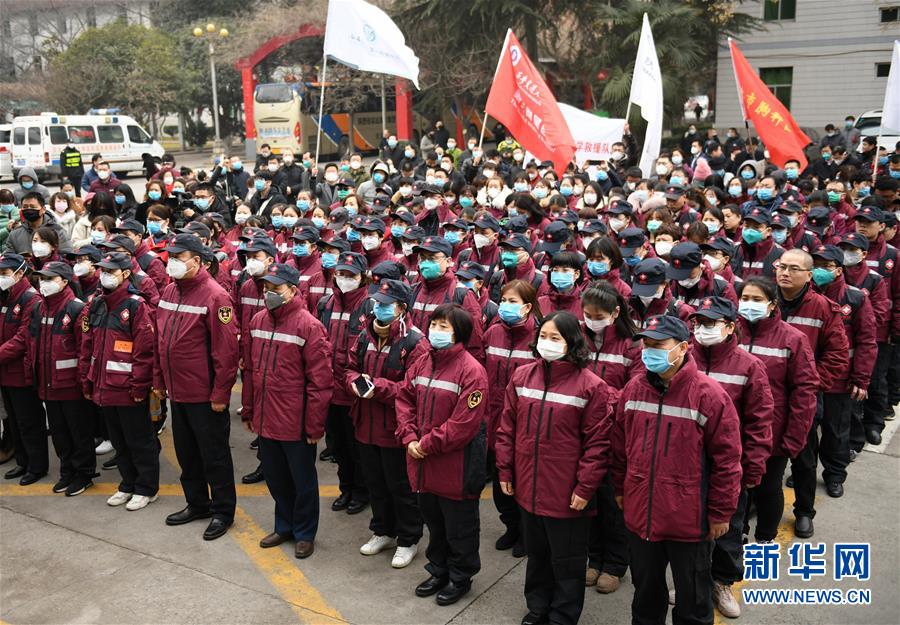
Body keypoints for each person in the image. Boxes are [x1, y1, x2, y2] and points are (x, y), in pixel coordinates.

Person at [611, 315, 742, 625]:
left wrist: (721, 512)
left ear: (683, 347)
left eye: (659, 346)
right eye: (647, 345)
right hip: (641, 513)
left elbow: (728, 461)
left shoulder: (709, 395)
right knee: (646, 593)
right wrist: (620, 489)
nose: (649, 352)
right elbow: (618, 447)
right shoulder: (633, 390)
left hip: (689, 519)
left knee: (693, 597)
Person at [496, 311, 613, 625]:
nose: (546, 343)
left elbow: (597, 445)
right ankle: (539, 607)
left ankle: (562, 615)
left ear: (572, 342)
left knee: (568, 561)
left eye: (555, 338)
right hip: (528, 487)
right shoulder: (522, 377)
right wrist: (505, 470)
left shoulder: (592, 387)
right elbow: (506, 428)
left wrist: (584, 487)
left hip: (567, 494)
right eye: (543, 336)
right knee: (538, 556)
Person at [395, 304, 488, 606]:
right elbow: (405, 397)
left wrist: (426, 443)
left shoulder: (472, 371)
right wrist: (409, 435)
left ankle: (460, 576)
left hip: (454, 464)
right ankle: (438, 569)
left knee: (459, 526)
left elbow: (463, 425)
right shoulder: (423, 362)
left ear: (459, 332)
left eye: (443, 326)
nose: (435, 331)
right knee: (434, 522)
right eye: (434, 324)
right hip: (422, 460)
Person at [688, 297, 774, 619]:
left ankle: (722, 581)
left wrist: (753, 465)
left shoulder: (749, 366)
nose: (703, 330)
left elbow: (760, 420)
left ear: (728, 327)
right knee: (693, 529)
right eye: (698, 323)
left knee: (728, 527)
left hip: (728, 464)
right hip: (689, 463)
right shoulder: (684, 358)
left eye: (711, 324)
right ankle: (695, 580)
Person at [242, 263, 334, 559]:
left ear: (293, 291)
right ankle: (285, 526)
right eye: (266, 288)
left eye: (276, 289)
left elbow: (320, 383)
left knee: (302, 481)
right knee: (276, 477)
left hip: (295, 421)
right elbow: (251, 370)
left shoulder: (309, 326)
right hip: (266, 417)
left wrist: (314, 427)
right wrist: (249, 409)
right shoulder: (258, 321)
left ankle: (305, 532)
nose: (269, 293)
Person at [154, 233, 239, 541]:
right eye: (171, 258)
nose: (173, 263)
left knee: (214, 455)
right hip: (178, 392)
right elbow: (160, 341)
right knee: (187, 454)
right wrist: (159, 381)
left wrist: (220, 394)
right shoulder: (169, 291)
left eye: (180, 258)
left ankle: (222, 511)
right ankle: (197, 503)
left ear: (198, 261)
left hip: (204, 395)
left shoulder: (215, 296)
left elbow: (226, 353)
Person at [347, 279, 428, 568]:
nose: (377, 308)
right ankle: (382, 530)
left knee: (400, 486)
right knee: (375, 483)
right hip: (365, 423)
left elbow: (413, 390)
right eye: (376, 303)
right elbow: (350, 367)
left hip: (395, 427)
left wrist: (377, 387)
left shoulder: (415, 342)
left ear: (401, 308)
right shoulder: (364, 335)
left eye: (384, 304)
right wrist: (353, 383)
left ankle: (408, 538)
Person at [736, 277, 819, 545]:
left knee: (768, 487)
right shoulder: (731, 332)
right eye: (745, 298)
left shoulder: (792, 339)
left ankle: (765, 538)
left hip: (772, 431)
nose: (749, 305)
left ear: (772, 305)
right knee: (735, 488)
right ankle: (737, 537)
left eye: (757, 300)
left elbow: (804, 392)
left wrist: (794, 438)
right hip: (733, 429)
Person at [775, 249, 850, 538]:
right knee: (764, 455)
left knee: (803, 458)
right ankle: (760, 501)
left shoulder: (822, 308)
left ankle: (804, 511)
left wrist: (811, 384)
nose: (785, 273)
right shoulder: (766, 302)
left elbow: (837, 355)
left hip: (802, 398)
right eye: (782, 267)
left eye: (794, 269)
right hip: (766, 394)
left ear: (809, 275)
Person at [80, 252, 160, 510]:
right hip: (104, 386)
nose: (104, 275)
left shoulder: (136, 306)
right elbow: (88, 345)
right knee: (119, 440)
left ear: (126, 274)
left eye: (111, 271)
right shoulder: (98, 304)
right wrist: (88, 382)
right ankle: (127, 484)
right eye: (102, 270)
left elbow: (144, 352)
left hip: (127, 388)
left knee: (139, 439)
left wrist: (139, 386)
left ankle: (147, 487)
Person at [580, 281, 641, 595]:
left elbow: (636, 392)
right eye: (587, 314)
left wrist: (599, 401)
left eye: (599, 315)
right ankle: (594, 557)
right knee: (588, 499)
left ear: (616, 312)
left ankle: (616, 564)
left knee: (614, 502)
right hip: (583, 434)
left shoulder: (632, 345)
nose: (592, 320)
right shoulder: (579, 337)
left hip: (618, 435)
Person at [810, 244, 877, 497]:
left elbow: (867, 341)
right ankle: (804, 471)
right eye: (815, 265)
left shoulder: (855, 298)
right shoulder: (805, 296)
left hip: (841, 379)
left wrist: (861, 378)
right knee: (806, 430)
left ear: (838, 270)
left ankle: (835, 474)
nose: (819, 271)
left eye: (825, 266)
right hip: (810, 377)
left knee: (836, 431)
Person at [481, 279, 542, 558]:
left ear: (528, 306)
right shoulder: (492, 333)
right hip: (495, 419)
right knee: (499, 483)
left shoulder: (539, 337)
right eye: (503, 300)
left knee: (523, 482)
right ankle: (511, 527)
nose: (505, 306)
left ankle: (527, 534)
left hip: (525, 421)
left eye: (513, 302)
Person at [27, 262, 94, 496]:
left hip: (71, 386)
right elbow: (32, 343)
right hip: (47, 384)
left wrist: (84, 382)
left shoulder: (76, 309)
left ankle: (84, 474)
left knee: (78, 431)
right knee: (59, 432)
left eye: (49, 278)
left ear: (64, 281)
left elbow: (84, 350)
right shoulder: (39, 308)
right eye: (41, 278)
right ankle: (67, 471)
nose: (43, 283)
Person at [317, 251, 372, 515]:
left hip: (354, 391)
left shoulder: (370, 305)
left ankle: (362, 491)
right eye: (340, 274)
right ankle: (345, 487)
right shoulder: (326, 303)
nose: (344, 279)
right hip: (329, 388)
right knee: (337, 444)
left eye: (350, 275)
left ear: (362, 278)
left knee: (357, 446)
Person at [0, 254, 48, 485]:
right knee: (16, 421)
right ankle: (22, 461)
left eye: (4, 274)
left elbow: (23, 338)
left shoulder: (31, 299)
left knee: (29, 421)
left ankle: (36, 466)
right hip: (5, 371)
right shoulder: (6, 297)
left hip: (21, 372)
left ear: (19, 273)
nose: (1, 278)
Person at [4, 192, 71, 255]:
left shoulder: (58, 231)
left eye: (33, 207)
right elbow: (8, 258)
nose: (28, 209)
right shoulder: (15, 234)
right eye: (25, 207)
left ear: (43, 209)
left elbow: (66, 256)